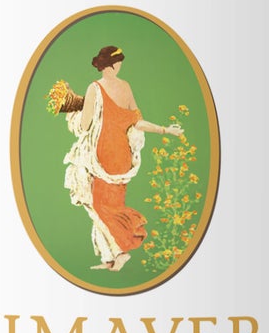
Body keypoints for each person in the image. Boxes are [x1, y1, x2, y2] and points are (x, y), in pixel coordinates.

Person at [55, 44, 180, 274]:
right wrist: (165, 130)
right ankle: (108, 258)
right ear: (112, 65)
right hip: (122, 156)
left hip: (103, 155)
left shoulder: (94, 88)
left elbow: (84, 126)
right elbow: (138, 122)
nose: (120, 66)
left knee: (98, 205)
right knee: (112, 206)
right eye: (118, 62)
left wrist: (72, 111)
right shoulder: (125, 87)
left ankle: (121, 252)